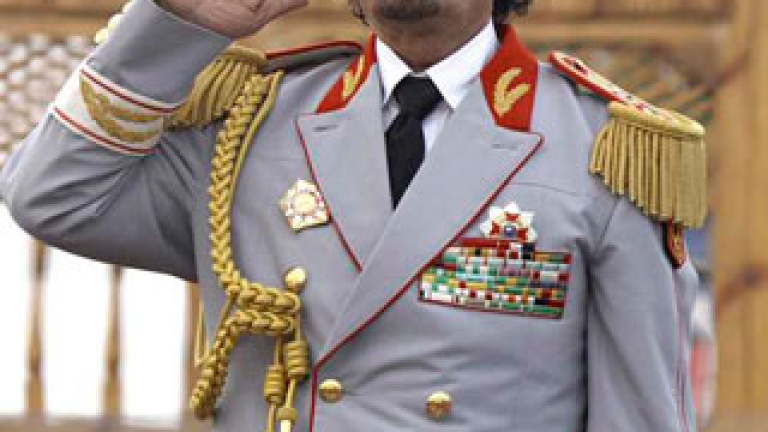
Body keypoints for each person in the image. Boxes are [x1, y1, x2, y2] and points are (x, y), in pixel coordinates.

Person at [1, 0, 708, 431]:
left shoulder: (606, 151)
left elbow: (642, 416)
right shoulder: (251, 122)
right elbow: (53, 196)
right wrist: (177, 24)